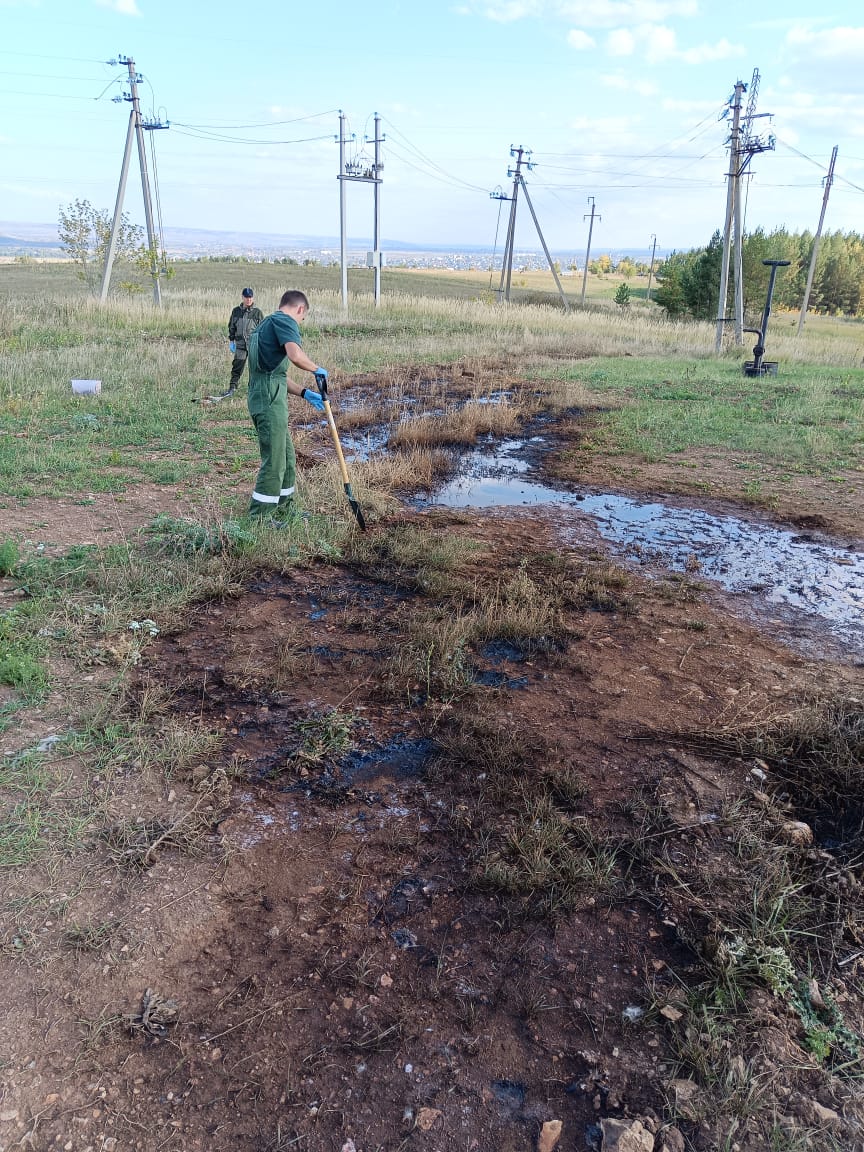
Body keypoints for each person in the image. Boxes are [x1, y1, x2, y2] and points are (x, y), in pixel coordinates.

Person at [246, 289, 328, 522]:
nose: (300, 322)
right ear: (300, 309)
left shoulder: (265, 324)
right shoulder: (284, 320)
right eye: (302, 318)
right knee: (275, 459)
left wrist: (305, 393)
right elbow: (295, 355)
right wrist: (316, 369)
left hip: (267, 393)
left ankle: (285, 507)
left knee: (287, 457)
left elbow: (275, 375)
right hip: (269, 399)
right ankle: (260, 517)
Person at [227, 288, 264, 397]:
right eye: (246, 297)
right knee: (237, 366)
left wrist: (261, 344)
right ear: (242, 297)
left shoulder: (257, 313)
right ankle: (232, 388)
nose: (249, 299)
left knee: (255, 368)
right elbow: (231, 326)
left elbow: (262, 329)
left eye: (250, 297)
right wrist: (231, 340)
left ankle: (254, 389)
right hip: (240, 345)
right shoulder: (236, 311)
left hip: (253, 345)